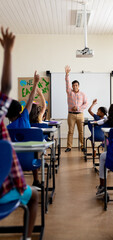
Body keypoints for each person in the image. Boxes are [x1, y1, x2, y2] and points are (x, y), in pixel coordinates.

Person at [0, 27, 38, 240]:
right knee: (34, 195)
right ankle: (27, 237)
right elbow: (6, 88)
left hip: (10, 169)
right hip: (24, 167)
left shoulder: (7, 127)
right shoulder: (24, 118)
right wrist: (7, 51)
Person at [6, 71, 41, 188]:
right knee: (34, 152)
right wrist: (35, 82)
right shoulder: (25, 117)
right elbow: (31, 98)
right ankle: (36, 180)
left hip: (12, 164)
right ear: (19, 111)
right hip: (30, 161)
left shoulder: (7, 129)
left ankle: (11, 184)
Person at [65, 65, 88, 152]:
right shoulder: (69, 92)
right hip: (71, 115)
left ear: (78, 86)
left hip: (80, 115)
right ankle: (69, 147)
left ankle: (82, 146)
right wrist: (67, 74)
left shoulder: (83, 94)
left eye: (76, 85)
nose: (75, 87)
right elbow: (67, 84)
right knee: (70, 131)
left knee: (81, 131)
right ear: (72, 86)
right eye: (73, 85)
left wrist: (78, 107)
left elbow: (86, 104)